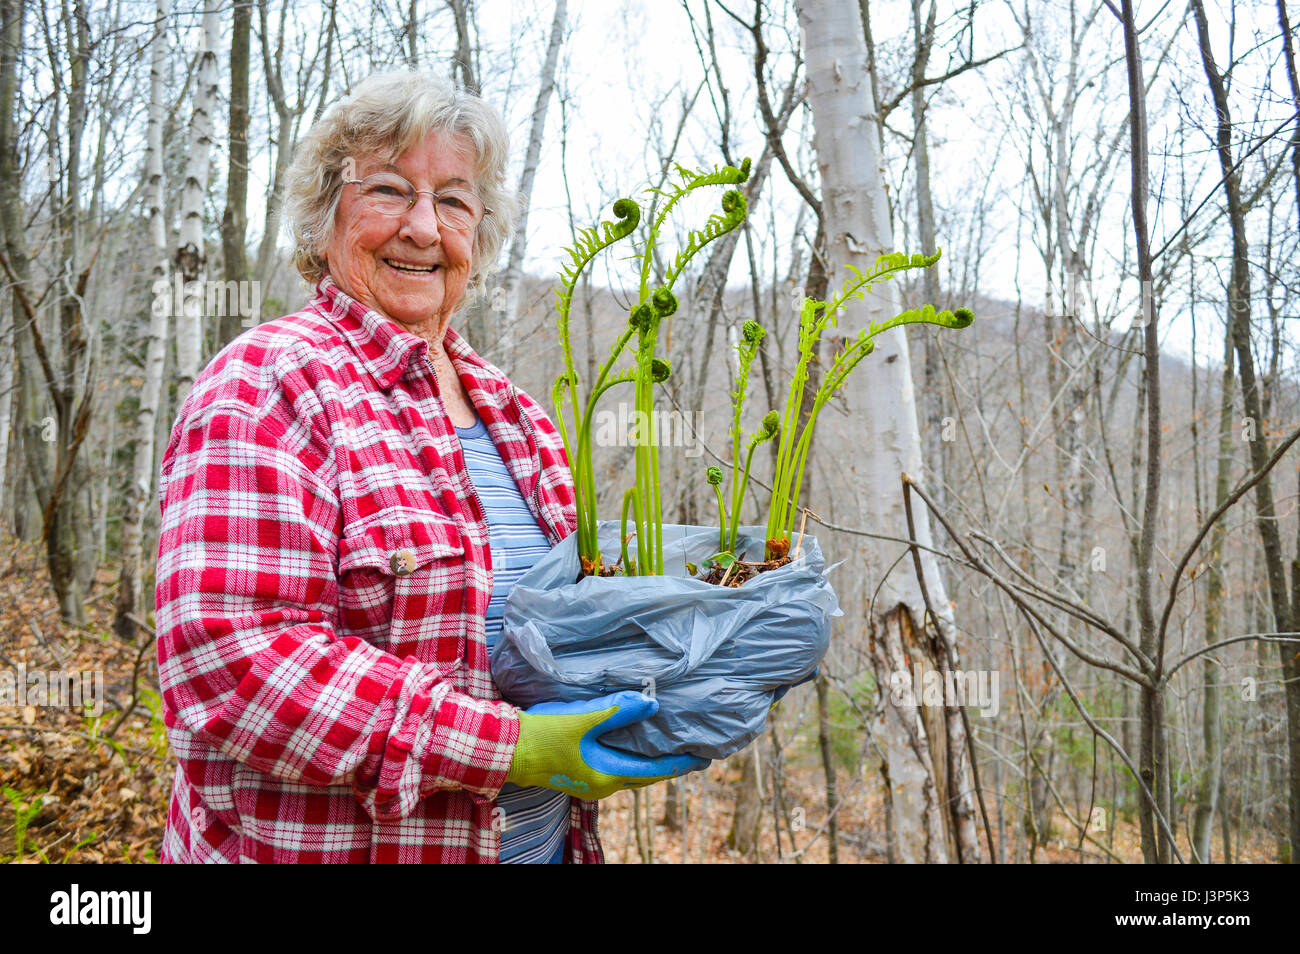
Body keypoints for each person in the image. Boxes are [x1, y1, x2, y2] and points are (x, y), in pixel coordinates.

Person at [154, 70, 703, 864]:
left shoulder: (521, 419)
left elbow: (566, 632)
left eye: (452, 201)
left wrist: (691, 655)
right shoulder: (268, 384)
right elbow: (232, 659)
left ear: (478, 238)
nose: (421, 227)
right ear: (323, 219)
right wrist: (509, 748)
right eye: (387, 190)